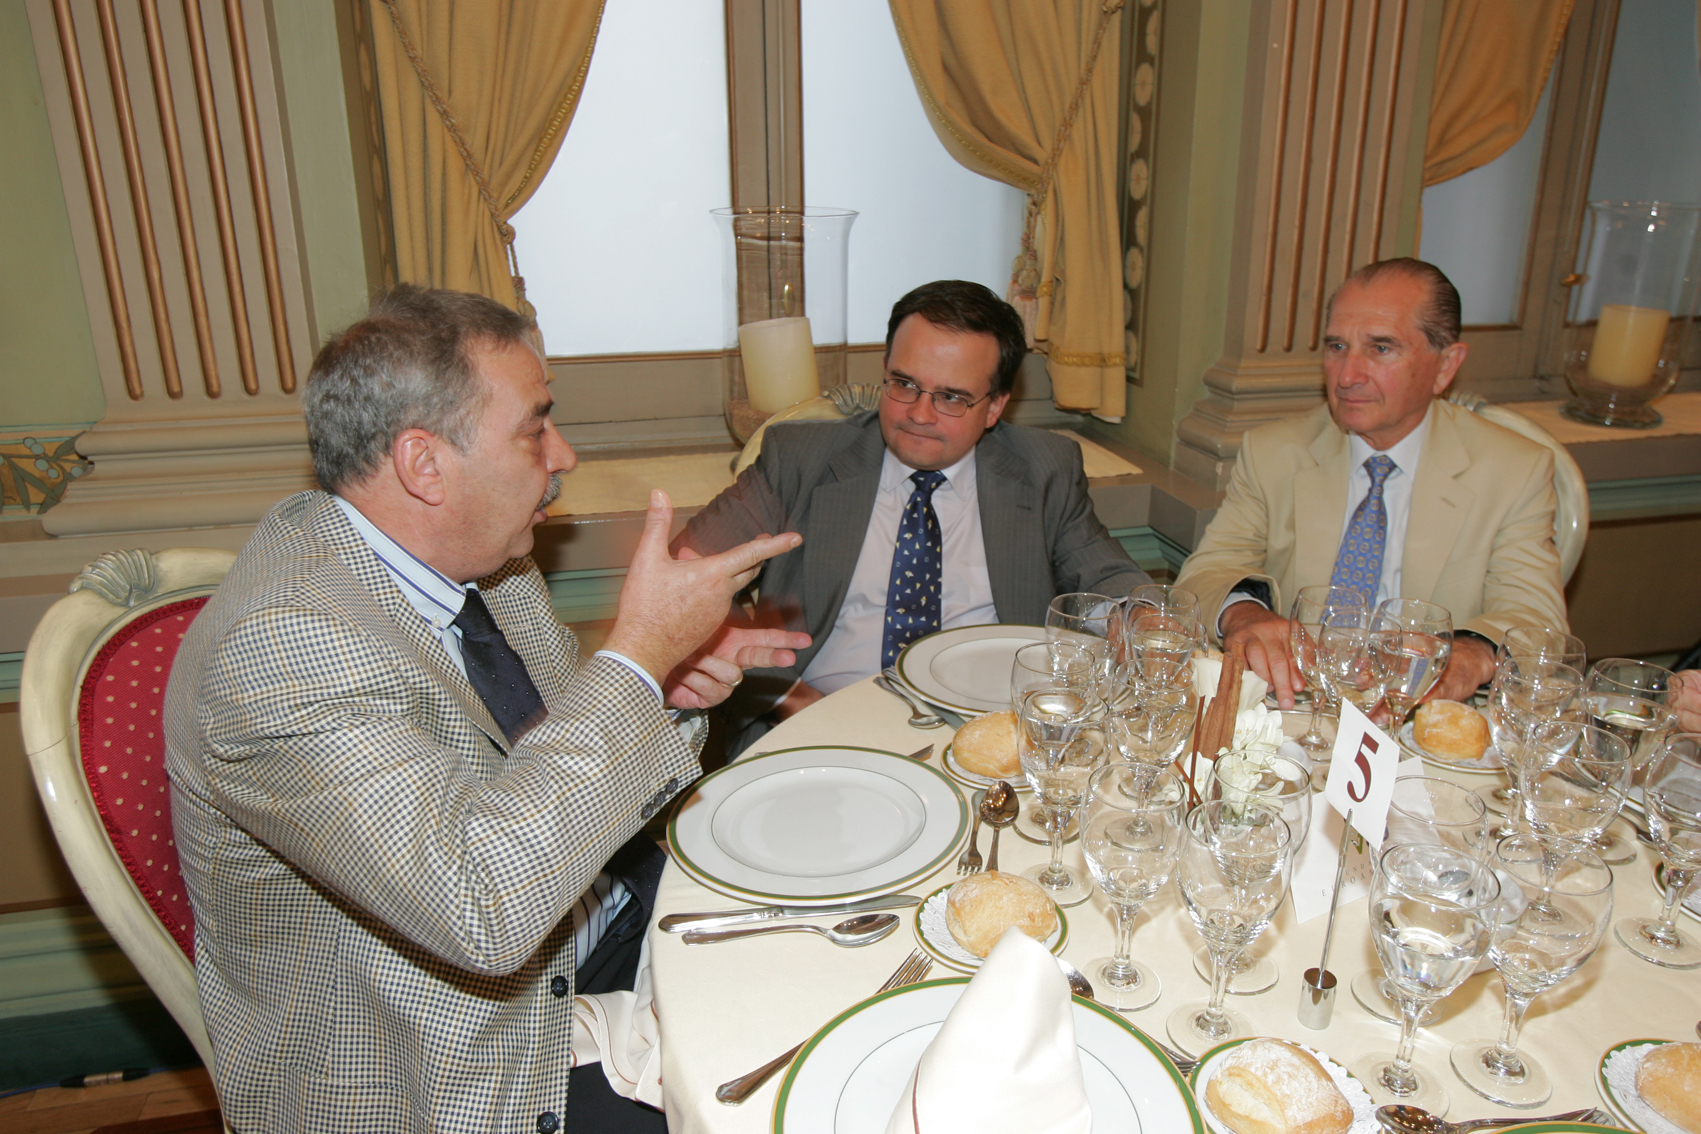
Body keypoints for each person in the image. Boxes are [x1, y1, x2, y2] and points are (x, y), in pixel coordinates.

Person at [164, 286, 808, 1133]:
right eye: (535, 429)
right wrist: (639, 655)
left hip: (594, 923)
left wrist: (664, 690)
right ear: (423, 464)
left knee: (827, 940)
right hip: (461, 1064)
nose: (563, 454)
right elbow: (483, 908)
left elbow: (559, 769)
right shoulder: (282, 647)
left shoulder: (484, 565)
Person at [675, 279, 1150, 730]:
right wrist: (787, 695)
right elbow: (684, 573)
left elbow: (1108, 577)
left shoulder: (1044, 469)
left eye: (951, 397)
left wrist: (1139, 618)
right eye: (904, 384)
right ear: (885, 370)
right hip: (819, 719)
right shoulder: (800, 459)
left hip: (989, 727)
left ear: (994, 406)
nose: (919, 415)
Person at [1175, 258, 1567, 708]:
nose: (1346, 376)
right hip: (1295, 706)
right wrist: (1245, 615)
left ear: (1445, 366)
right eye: (1337, 346)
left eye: (1381, 348)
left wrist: (1467, 655)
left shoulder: (1512, 470)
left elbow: (1537, 622)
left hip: (1421, 718)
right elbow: (1207, 572)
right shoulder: (1275, 453)